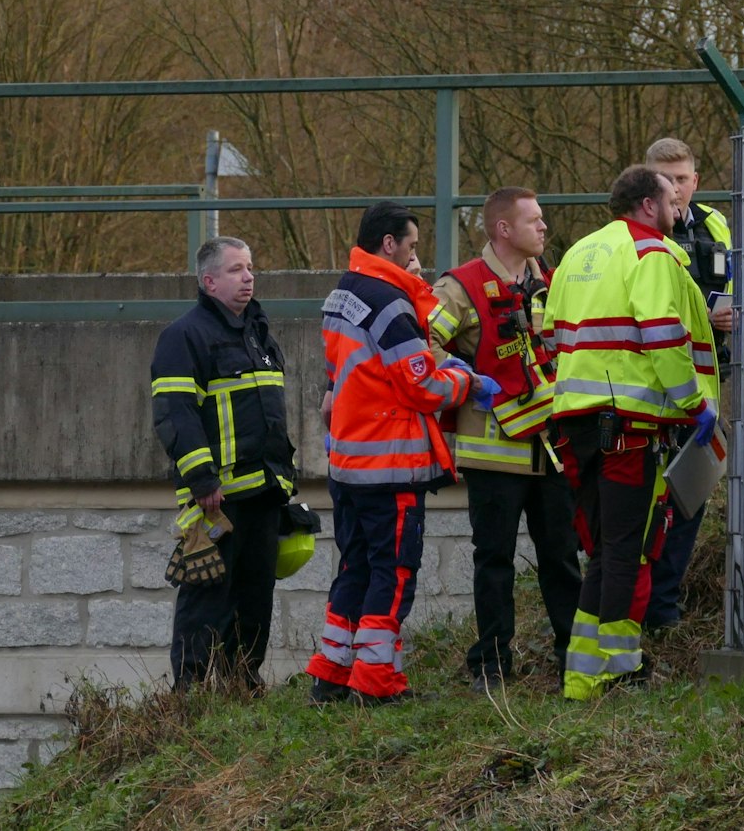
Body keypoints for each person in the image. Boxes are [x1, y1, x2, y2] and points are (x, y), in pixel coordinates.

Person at [305, 202, 498, 705]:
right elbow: (424, 385)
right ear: (388, 244)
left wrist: (415, 289)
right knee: (393, 576)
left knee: (355, 570)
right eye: (411, 246)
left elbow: (346, 369)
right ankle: (376, 682)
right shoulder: (388, 303)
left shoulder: (342, 292)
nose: (418, 256)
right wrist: (467, 379)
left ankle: (330, 675)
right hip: (389, 467)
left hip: (349, 464)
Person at [544, 165, 718, 700]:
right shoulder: (653, 255)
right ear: (647, 205)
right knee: (627, 551)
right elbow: (663, 334)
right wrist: (693, 403)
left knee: (605, 551)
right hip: (629, 426)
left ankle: (582, 675)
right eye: (670, 200)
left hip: (577, 422)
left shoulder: (578, 253)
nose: (677, 210)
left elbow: (550, 334)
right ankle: (617, 670)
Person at [430, 187, 582, 693]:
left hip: (551, 448)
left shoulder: (554, 283)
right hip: (494, 451)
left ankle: (572, 658)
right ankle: (491, 665)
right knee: (492, 561)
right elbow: (423, 344)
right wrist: (465, 377)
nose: (543, 228)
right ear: (503, 229)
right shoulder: (462, 288)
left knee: (561, 556)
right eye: (533, 220)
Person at [150, 236, 298, 690]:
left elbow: (272, 417)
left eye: (250, 267)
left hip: (265, 492)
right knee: (206, 594)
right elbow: (176, 414)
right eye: (236, 270)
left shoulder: (261, 335)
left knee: (255, 598)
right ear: (209, 281)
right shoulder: (184, 336)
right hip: (217, 499)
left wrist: (286, 481)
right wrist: (201, 479)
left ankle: (241, 683)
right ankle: (190, 691)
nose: (248, 276)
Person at [642, 137, 737, 630]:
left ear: (696, 181)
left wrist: (732, 316)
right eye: (666, 180)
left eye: (683, 179)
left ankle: (665, 607)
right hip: (658, 388)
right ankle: (650, 608)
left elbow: (734, 284)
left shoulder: (716, 225)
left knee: (691, 496)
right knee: (650, 502)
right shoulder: (642, 233)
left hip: (709, 383)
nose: (676, 190)